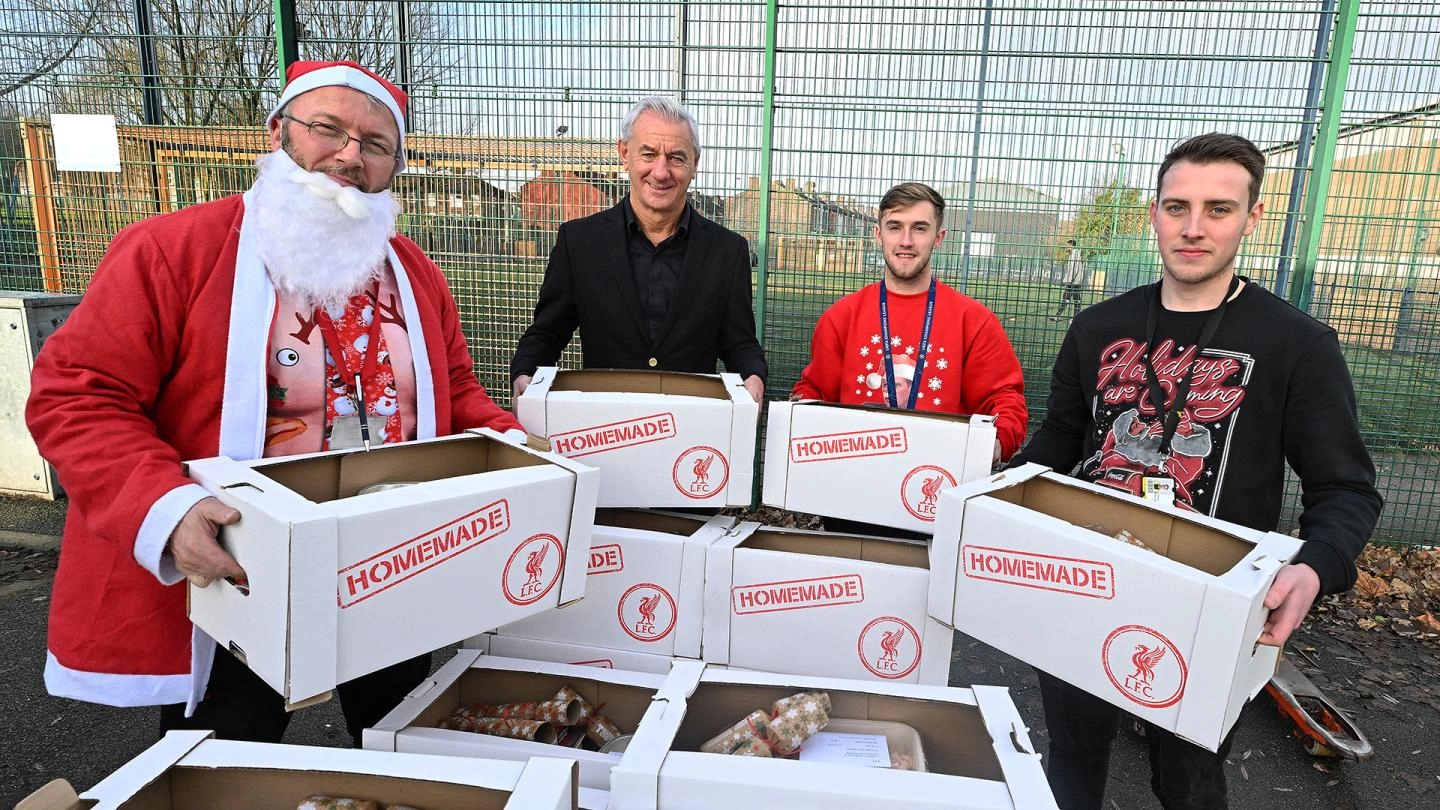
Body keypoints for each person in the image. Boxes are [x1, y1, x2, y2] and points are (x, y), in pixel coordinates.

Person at [26, 60, 524, 746]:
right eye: (329, 129)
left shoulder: (416, 272)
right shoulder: (173, 251)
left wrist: (517, 445)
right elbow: (78, 395)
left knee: (409, 745)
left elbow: (455, 389)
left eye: (377, 144)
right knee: (228, 759)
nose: (351, 155)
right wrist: (165, 508)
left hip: (396, 560)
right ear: (278, 132)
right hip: (240, 568)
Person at [1012, 133, 1382, 809]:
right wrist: (995, 498)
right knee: (1073, 753)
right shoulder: (1098, 327)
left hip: (1211, 605)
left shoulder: (1297, 344)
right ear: (1153, 212)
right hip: (1088, 584)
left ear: (1252, 216)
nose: (1192, 227)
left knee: (1188, 779)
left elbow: (1345, 487)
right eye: (1177, 206)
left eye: (1217, 209)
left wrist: (1316, 564)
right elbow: (1061, 439)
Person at [509, 96, 767, 402]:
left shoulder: (727, 252)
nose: (661, 171)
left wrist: (754, 376)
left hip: (690, 431)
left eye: (676, 157)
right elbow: (547, 333)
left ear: (694, 164)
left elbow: (739, 343)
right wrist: (524, 372)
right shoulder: (578, 243)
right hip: (603, 431)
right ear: (625, 153)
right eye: (648, 154)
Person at [792, 182, 1028, 464]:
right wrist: (799, 413)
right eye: (894, 227)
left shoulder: (974, 321)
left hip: (937, 479)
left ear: (938, 237)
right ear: (878, 235)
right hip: (853, 479)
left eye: (919, 228)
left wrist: (998, 442)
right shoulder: (841, 317)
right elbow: (814, 392)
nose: (906, 240)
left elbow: (1005, 400)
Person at [1052, 238, 1085, 321]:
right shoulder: (1073, 253)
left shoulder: (1075, 254)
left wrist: (1069, 280)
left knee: (1072, 299)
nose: (1066, 248)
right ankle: (1058, 316)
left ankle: (1073, 318)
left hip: (1073, 281)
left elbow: (1074, 268)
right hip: (1074, 281)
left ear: (1071, 246)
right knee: (1073, 299)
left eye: (1067, 246)